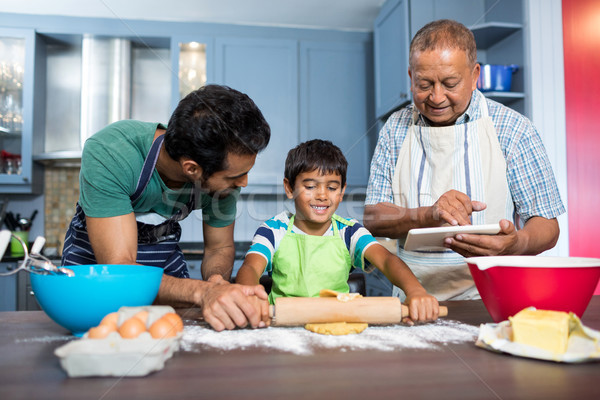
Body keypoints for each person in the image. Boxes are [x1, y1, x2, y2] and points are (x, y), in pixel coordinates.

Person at [364, 19, 565, 301]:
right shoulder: (394, 129)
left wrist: (516, 242)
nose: (436, 97)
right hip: (413, 299)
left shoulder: (514, 129)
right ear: (411, 77)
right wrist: (428, 215)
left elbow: (547, 225)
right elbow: (373, 217)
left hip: (494, 299)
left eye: (450, 83)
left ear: (474, 76)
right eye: (424, 84)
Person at [62, 84, 272, 331]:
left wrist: (216, 281)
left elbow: (220, 246)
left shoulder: (224, 179)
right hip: (101, 273)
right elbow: (120, 266)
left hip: (162, 263)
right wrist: (202, 292)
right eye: (235, 176)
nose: (243, 183)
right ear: (192, 169)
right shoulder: (111, 152)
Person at [236, 139, 440, 322]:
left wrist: (415, 291)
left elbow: (387, 260)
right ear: (289, 188)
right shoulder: (273, 230)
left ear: (341, 192)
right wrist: (250, 297)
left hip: (338, 325)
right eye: (310, 186)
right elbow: (251, 268)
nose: (322, 196)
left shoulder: (349, 232)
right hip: (283, 325)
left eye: (332, 188)